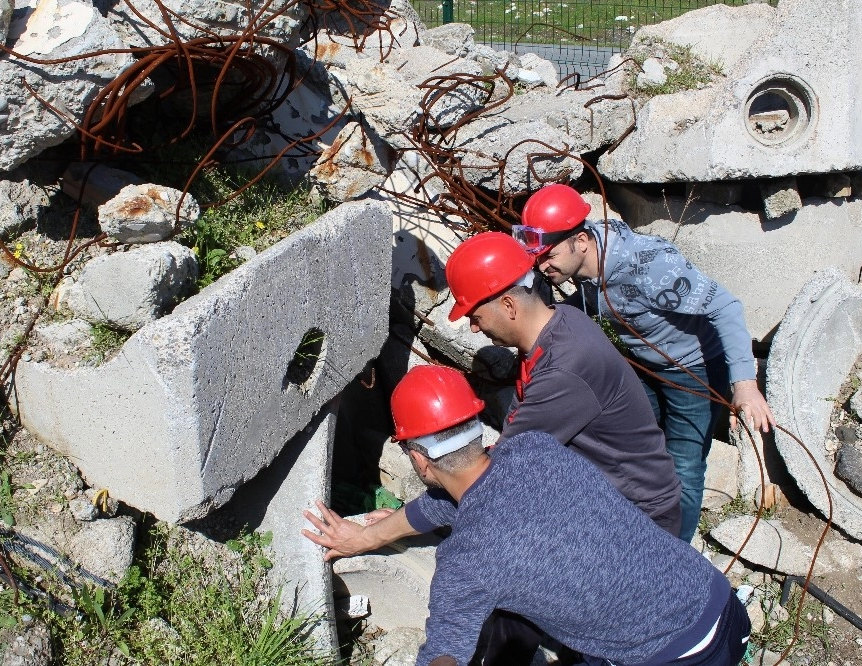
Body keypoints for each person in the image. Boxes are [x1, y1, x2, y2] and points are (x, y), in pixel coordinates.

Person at [307, 365, 751, 666]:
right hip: (718, 600)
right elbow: (458, 499)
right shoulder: (532, 448)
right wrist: (368, 537)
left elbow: (446, 650)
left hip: (677, 655)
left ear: (420, 461)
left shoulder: (467, 560)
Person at [302, 232, 682, 566]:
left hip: (636, 524)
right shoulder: (556, 331)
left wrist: (376, 534)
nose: (472, 326)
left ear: (509, 306)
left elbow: (486, 482)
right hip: (608, 502)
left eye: (475, 314)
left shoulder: (565, 370)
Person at [514, 183, 777, 542]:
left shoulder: (650, 266)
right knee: (633, 442)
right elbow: (592, 304)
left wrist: (744, 384)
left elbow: (725, 306)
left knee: (683, 462)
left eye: (549, 255)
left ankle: (674, 556)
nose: (543, 266)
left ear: (580, 241)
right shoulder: (588, 267)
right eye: (537, 257)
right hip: (645, 365)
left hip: (694, 369)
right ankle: (635, 525)